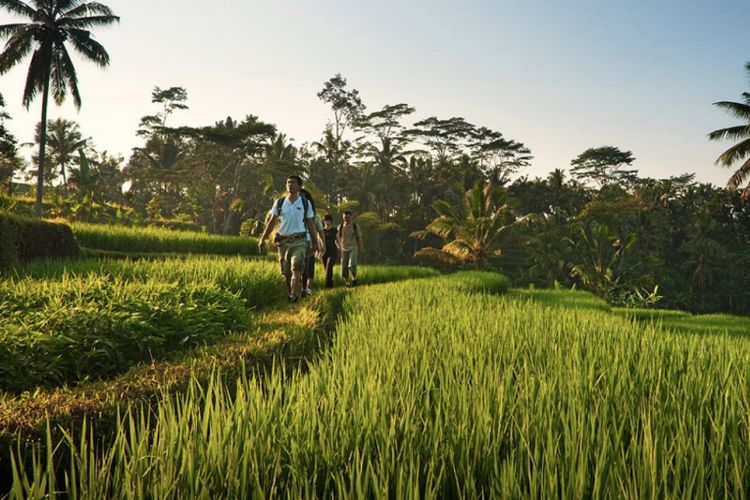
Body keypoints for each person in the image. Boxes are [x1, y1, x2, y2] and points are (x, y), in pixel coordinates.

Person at [258, 175, 319, 303]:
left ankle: (295, 296)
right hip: (283, 242)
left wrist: (315, 242)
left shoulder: (304, 203)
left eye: (294, 182)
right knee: (286, 273)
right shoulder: (279, 202)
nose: (290, 184)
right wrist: (262, 239)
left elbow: (310, 224)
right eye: (288, 182)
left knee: (296, 267)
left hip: (299, 240)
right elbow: (271, 222)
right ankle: (291, 293)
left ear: (299, 187)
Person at [299, 189, 324, 296]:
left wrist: (319, 245)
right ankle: (298, 288)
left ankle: (304, 288)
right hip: (293, 242)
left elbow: (319, 232)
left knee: (305, 267)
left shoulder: (314, 216)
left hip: (308, 243)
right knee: (295, 267)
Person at [337, 210, 364, 287]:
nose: (346, 219)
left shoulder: (355, 226)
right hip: (344, 249)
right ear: (343, 217)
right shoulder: (340, 227)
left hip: (353, 248)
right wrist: (338, 246)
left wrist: (361, 248)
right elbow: (337, 238)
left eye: (348, 217)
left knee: (352, 265)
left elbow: (360, 237)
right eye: (345, 217)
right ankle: (347, 283)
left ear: (351, 217)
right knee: (343, 270)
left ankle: (354, 278)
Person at [321, 214, 339, 288]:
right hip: (324, 252)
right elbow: (319, 241)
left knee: (329, 265)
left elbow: (339, 241)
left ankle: (327, 285)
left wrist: (341, 250)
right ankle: (331, 284)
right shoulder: (322, 230)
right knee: (327, 269)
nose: (327, 222)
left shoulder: (335, 230)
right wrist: (318, 251)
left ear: (331, 221)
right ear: (324, 222)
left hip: (333, 252)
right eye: (326, 221)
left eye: (329, 221)